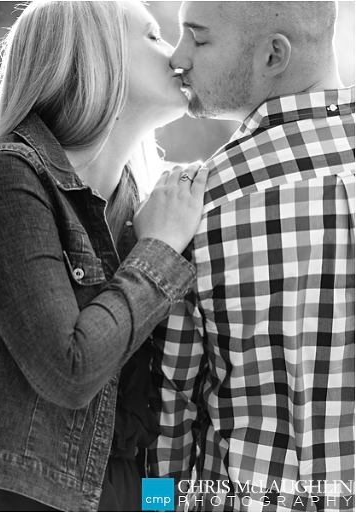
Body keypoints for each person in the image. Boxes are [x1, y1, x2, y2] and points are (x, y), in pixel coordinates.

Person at [0, 1, 209, 511]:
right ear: (92, 54)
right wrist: (157, 253)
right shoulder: (8, 177)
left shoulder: (141, 209)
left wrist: (161, 506)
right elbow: (68, 370)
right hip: (13, 498)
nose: (176, 56)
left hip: (127, 498)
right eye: (152, 37)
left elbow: (149, 415)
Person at [148, 2, 354, 511]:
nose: (178, 57)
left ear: (273, 55)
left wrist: (154, 508)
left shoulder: (195, 205)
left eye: (198, 38)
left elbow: (167, 418)